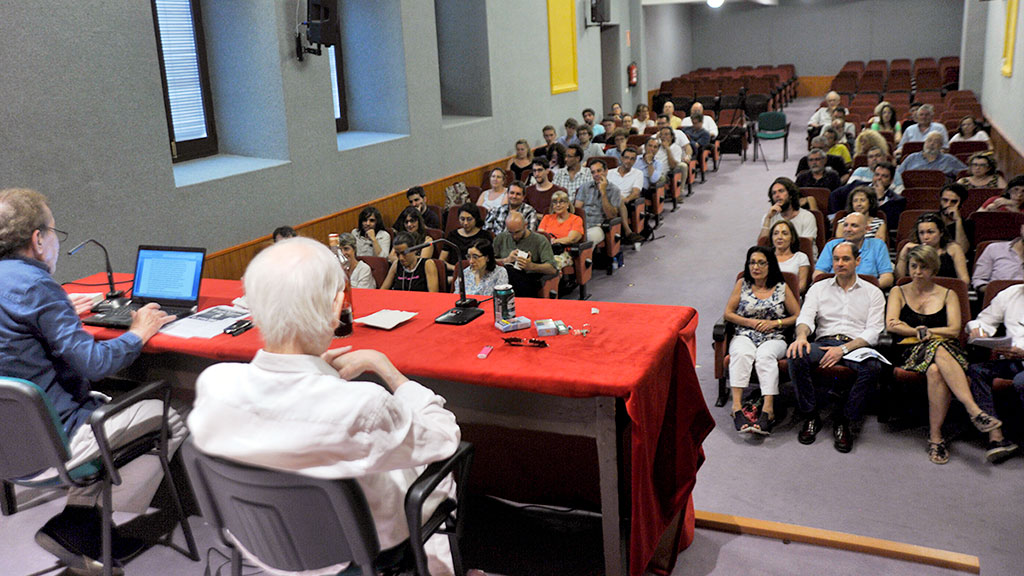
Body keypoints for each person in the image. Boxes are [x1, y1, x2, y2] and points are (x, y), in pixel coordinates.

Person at [187, 237, 462, 575]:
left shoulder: (215, 384)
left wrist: (320, 373)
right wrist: (387, 370)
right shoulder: (364, 403)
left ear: (252, 309)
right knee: (441, 467)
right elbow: (444, 436)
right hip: (364, 552)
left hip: (262, 545)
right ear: (337, 308)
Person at [0, 188, 182, 574]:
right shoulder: (36, 286)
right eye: (54, 233)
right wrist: (138, 331)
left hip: (10, 446)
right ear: (37, 239)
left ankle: (82, 523)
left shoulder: (26, 288)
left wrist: (61, 312)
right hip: (58, 440)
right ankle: (88, 523)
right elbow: (95, 363)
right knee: (169, 416)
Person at [884, 244, 1001, 464]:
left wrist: (921, 330)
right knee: (938, 348)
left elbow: (954, 330)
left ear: (934, 270)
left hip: (948, 351)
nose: (918, 272)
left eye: (924, 267)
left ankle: (936, 438)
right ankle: (973, 409)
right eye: (914, 266)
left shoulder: (949, 294)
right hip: (909, 350)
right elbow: (891, 325)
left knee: (936, 368)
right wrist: (917, 332)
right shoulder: (899, 291)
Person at [788, 242, 886, 453]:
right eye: (836, 259)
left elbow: (873, 331)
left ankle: (845, 421)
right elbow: (805, 317)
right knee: (796, 355)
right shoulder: (818, 287)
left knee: (873, 368)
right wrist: (802, 336)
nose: (840, 264)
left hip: (855, 345)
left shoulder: (873, 292)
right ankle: (810, 415)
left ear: (857, 261)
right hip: (824, 342)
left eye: (846, 259)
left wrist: (843, 350)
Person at [724, 246, 801, 435]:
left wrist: (776, 323)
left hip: (774, 336)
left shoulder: (781, 287)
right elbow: (728, 313)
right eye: (752, 262)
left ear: (770, 265)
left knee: (765, 356)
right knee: (741, 353)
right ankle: (736, 407)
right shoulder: (742, 283)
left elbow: (798, 315)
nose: (755, 267)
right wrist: (749, 322)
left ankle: (768, 409)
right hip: (745, 333)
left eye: (761, 263)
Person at [965, 281, 1024, 463]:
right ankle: (996, 436)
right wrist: (979, 330)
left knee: (1022, 381)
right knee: (976, 371)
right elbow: (983, 320)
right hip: (1014, 359)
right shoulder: (1012, 293)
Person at [814, 212, 894, 289]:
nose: (848, 229)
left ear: (866, 229)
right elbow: (818, 274)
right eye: (845, 225)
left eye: (854, 226)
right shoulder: (831, 245)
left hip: (866, 293)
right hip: (834, 291)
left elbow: (887, 278)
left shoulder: (878, 245)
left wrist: (867, 289)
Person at [493, 212, 557, 297]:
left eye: (517, 232)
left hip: (528, 279)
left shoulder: (540, 240)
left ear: (525, 225)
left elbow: (552, 269)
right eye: (510, 232)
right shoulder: (501, 238)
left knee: (512, 273)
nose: (514, 236)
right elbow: (489, 261)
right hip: (502, 279)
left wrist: (531, 266)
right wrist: (505, 260)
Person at [895, 213, 970, 285]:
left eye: (930, 232)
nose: (925, 237)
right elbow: (900, 281)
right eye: (921, 233)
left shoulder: (953, 249)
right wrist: (903, 255)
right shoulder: (912, 250)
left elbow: (964, 281)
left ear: (941, 233)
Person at [757, 177, 819, 259]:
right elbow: (762, 246)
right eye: (774, 193)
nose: (777, 195)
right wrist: (768, 219)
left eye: (781, 191)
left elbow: (805, 246)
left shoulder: (807, 216)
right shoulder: (769, 217)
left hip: (802, 260)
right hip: (776, 260)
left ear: (790, 195)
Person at [575, 158, 621, 244]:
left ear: (606, 171)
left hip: (598, 226)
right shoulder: (584, 187)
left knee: (588, 238)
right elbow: (577, 210)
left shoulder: (614, 190)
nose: (596, 174)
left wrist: (603, 192)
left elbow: (612, 215)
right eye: (593, 172)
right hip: (581, 224)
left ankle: (584, 257)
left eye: (599, 171)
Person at [606, 146, 647, 244]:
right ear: (622, 158)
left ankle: (620, 235)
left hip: (625, 202)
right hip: (609, 198)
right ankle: (626, 233)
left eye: (632, 159)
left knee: (619, 200)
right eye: (626, 158)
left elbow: (636, 192)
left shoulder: (638, 173)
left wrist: (627, 199)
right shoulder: (610, 173)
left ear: (635, 161)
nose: (628, 161)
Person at [895, 131, 967, 185]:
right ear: (924, 142)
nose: (931, 144)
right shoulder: (911, 158)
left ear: (941, 145)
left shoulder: (949, 160)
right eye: (929, 140)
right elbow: (898, 176)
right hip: (914, 193)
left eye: (936, 142)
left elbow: (965, 173)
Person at [538, 190, 584, 270]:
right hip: (545, 251)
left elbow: (572, 239)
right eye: (555, 202)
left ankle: (552, 281)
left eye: (561, 202)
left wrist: (553, 241)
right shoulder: (547, 218)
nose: (558, 205)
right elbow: (540, 237)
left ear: (568, 204)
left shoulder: (576, 219)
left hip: (565, 253)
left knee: (551, 264)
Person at [971, 224, 1024, 292]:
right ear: (1022, 228)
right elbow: (979, 280)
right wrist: (993, 291)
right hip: (999, 297)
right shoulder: (994, 249)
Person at [440, 204, 491, 274]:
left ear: (476, 219)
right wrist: (455, 268)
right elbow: (442, 260)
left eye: (469, 219)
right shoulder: (452, 235)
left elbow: (489, 259)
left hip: (477, 272)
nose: (465, 223)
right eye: (462, 219)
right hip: (454, 271)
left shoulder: (485, 236)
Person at [937, 183, 972, 253]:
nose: (948, 205)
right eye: (945, 200)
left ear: (961, 203)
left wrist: (958, 221)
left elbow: (962, 250)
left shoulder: (967, 224)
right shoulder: (930, 219)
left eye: (954, 201)